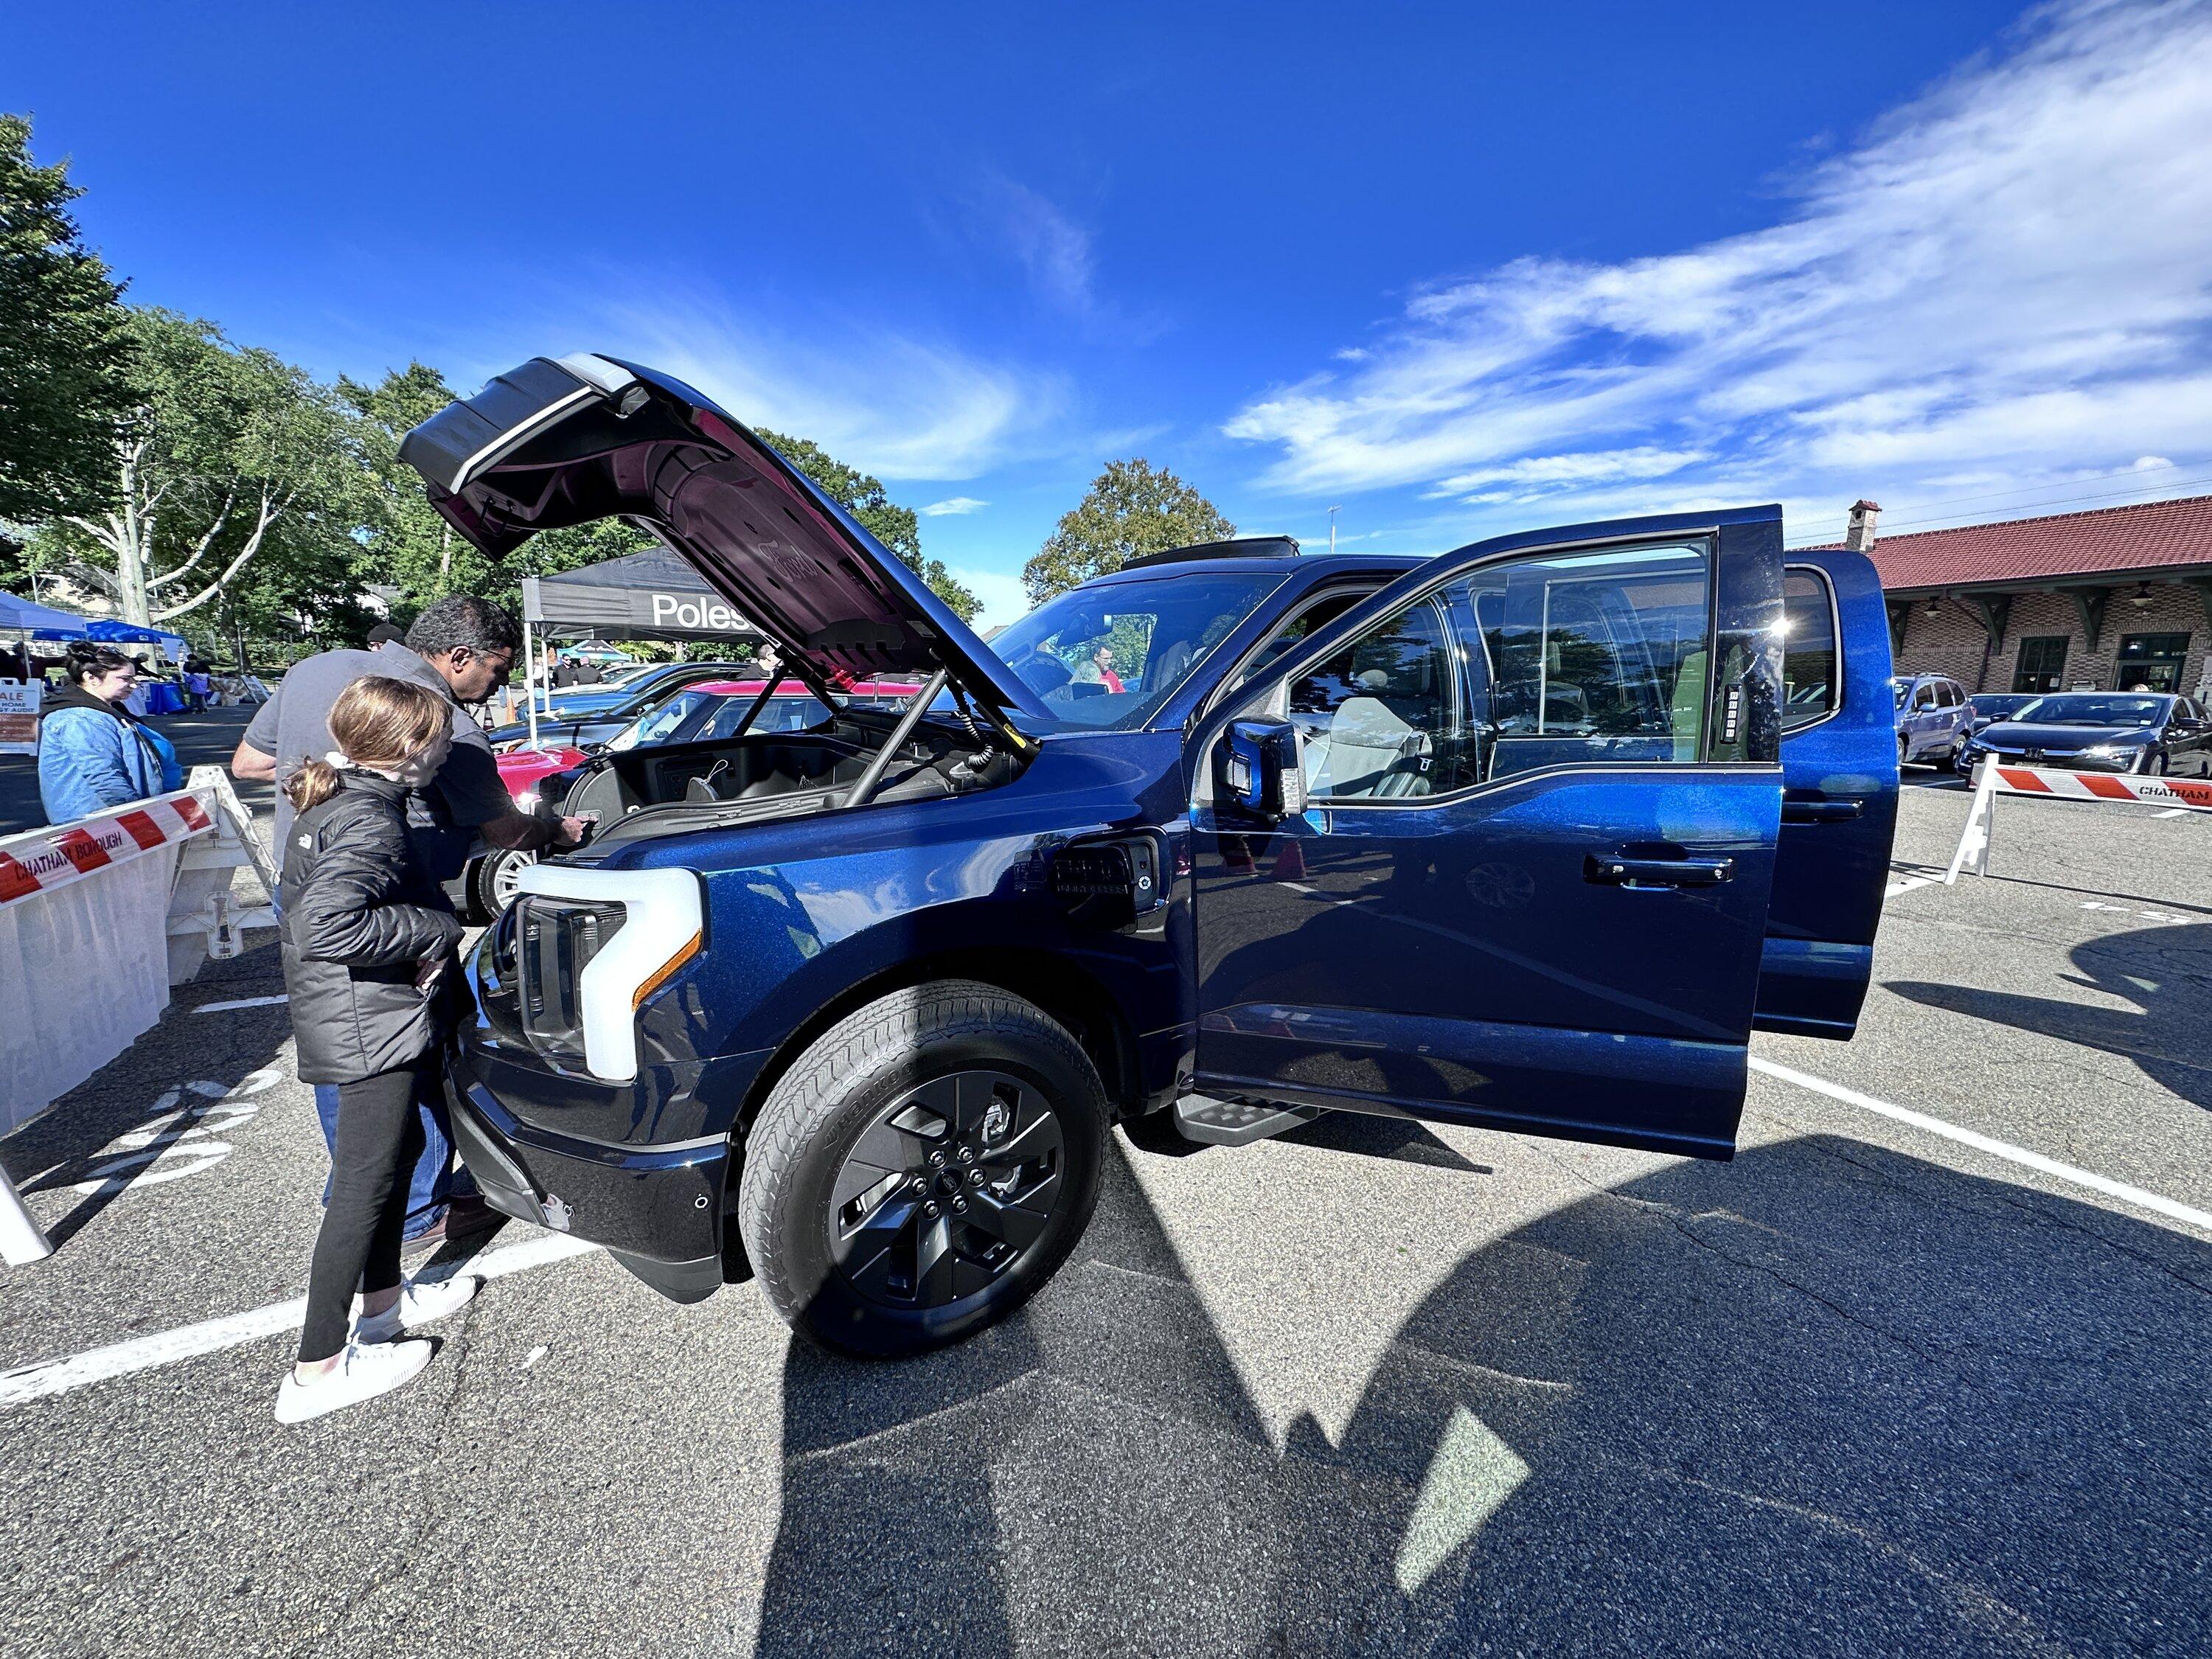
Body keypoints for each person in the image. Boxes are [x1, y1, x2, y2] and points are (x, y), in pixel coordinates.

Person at [232, 595, 589, 1249]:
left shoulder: (313, 669)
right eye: (499, 670)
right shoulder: (447, 727)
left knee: (345, 1055)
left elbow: (248, 763)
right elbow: (505, 829)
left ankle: (363, 1192)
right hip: (391, 919)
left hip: (305, 892)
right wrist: (558, 831)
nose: (498, 687)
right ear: (460, 658)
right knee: (413, 1057)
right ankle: (415, 1212)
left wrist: (319, 782)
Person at [271, 676, 485, 1422]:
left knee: (387, 1172)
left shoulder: (339, 796)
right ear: (408, 747)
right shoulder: (370, 818)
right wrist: (432, 932)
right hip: (366, 1023)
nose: (449, 744)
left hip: (364, 1015)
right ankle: (318, 1366)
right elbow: (325, 928)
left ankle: (384, 1309)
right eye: (439, 733)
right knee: (363, 1187)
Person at [36, 641, 184, 824]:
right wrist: (141, 818)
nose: (134, 685)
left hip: (114, 820)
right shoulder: (79, 718)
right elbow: (104, 777)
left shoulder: (104, 711)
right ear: (91, 678)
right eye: (125, 679)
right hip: (99, 823)